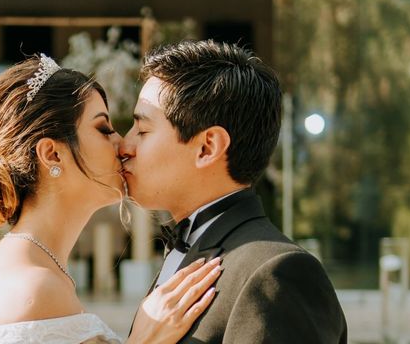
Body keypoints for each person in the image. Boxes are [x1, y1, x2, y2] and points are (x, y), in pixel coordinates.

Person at [0, 55, 222, 344]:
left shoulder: (29, 267)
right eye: (104, 129)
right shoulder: (35, 286)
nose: (122, 143)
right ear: (52, 154)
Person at [119, 40, 348, 343]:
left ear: (207, 147)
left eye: (143, 130)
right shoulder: (192, 249)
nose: (124, 145)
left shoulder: (277, 274)